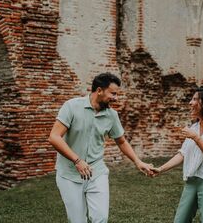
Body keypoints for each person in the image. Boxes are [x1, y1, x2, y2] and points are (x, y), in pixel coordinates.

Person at [48, 72, 153, 223]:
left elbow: (121, 141)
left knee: (101, 218)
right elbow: (54, 137)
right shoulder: (71, 106)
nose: (115, 98)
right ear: (99, 90)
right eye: (113, 93)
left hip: (97, 173)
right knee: (77, 220)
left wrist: (138, 162)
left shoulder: (112, 115)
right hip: (69, 175)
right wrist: (77, 161)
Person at [151, 88, 203, 223]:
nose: (190, 103)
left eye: (194, 99)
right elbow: (183, 154)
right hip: (192, 180)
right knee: (180, 220)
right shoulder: (193, 127)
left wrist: (196, 138)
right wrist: (161, 169)